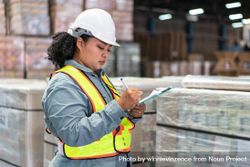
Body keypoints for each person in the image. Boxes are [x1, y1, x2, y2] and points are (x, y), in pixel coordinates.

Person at [42, 8, 146, 167]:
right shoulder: (64, 83)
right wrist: (119, 106)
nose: (105, 55)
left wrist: (130, 113)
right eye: (100, 47)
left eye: (108, 50)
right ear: (80, 43)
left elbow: (109, 126)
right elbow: (73, 134)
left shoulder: (99, 78)